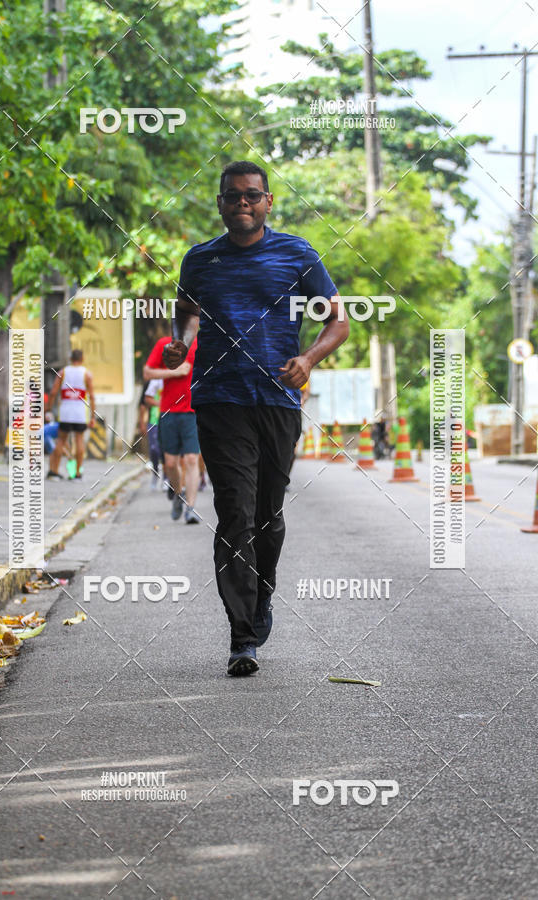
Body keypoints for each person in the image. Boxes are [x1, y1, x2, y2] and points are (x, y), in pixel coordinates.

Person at [163, 160, 349, 676]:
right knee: (234, 514)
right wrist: (181, 341)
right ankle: (241, 636)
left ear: (268, 202)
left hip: (277, 401)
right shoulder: (200, 259)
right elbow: (186, 310)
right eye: (232, 196)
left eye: (251, 195)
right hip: (219, 399)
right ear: (220, 204)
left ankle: (263, 592)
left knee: (267, 515)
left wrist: (308, 358)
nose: (241, 203)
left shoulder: (298, 255)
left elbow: (338, 322)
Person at [143, 337, 200, 523]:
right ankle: (178, 493)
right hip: (168, 412)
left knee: (191, 459)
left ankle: (190, 508)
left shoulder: (201, 342)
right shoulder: (164, 344)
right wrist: (173, 372)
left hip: (193, 411)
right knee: (170, 463)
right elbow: (147, 373)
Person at [46, 348, 95, 480]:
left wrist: (48, 409)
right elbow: (92, 397)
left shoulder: (63, 372)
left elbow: (53, 392)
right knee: (79, 440)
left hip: (65, 413)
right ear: (82, 359)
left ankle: (54, 471)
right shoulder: (87, 374)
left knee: (61, 440)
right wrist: (93, 417)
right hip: (80, 414)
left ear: (71, 359)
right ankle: (77, 474)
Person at [143, 378, 164, 490]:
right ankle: (155, 473)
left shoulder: (175, 379)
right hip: (154, 421)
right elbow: (145, 402)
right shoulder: (155, 381)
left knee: (166, 451)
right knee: (154, 449)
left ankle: (167, 478)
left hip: (168, 419)